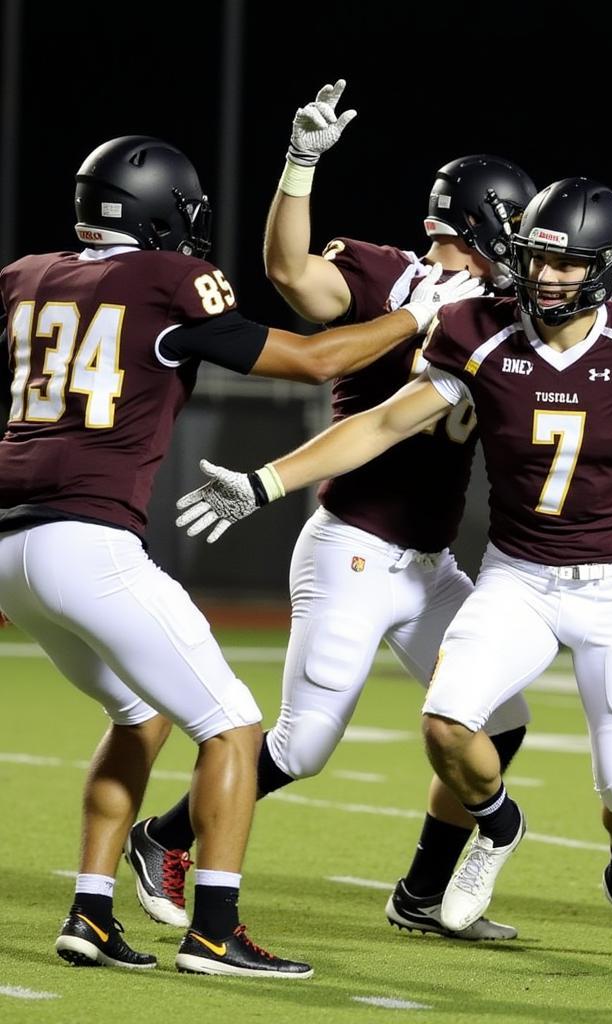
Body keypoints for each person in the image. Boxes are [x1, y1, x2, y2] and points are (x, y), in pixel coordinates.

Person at [171, 177, 612, 964]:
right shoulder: (476, 328)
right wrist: (266, 482)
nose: (547, 279)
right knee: (449, 724)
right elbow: (383, 422)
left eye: (567, 266)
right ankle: (497, 829)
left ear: (608, 265)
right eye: (536, 261)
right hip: (516, 577)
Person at [0, 133, 481, 976]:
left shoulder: (26, 275)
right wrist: (417, 315)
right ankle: (215, 931)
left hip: (11, 537)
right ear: (158, 214)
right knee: (233, 728)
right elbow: (316, 360)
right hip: (88, 539)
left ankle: (91, 913)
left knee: (139, 714)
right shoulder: (166, 279)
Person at [125, 79, 536, 942]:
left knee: (495, 718)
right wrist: (300, 163)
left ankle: (421, 897)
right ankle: (160, 835)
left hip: (431, 564)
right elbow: (288, 273)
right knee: (303, 748)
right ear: (497, 226)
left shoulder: (512, 312)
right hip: (353, 545)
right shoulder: (391, 275)